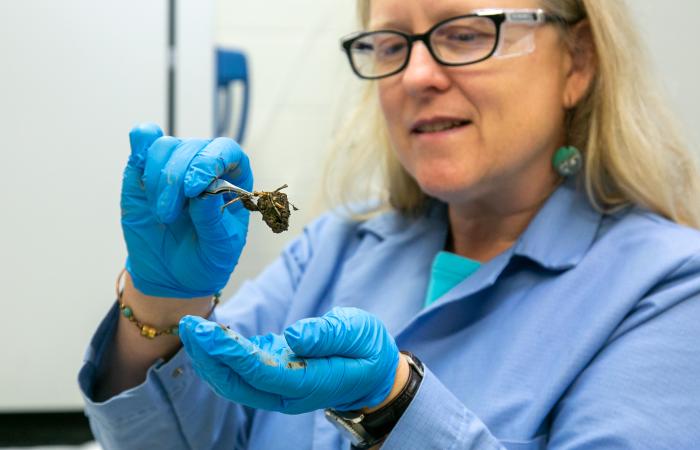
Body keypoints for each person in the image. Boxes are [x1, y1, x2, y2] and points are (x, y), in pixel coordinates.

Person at [79, 0, 700, 448]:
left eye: (463, 33)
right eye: (390, 44)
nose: (415, 76)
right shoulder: (333, 247)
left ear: (578, 62)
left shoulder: (670, 290)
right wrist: (161, 301)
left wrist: (394, 404)